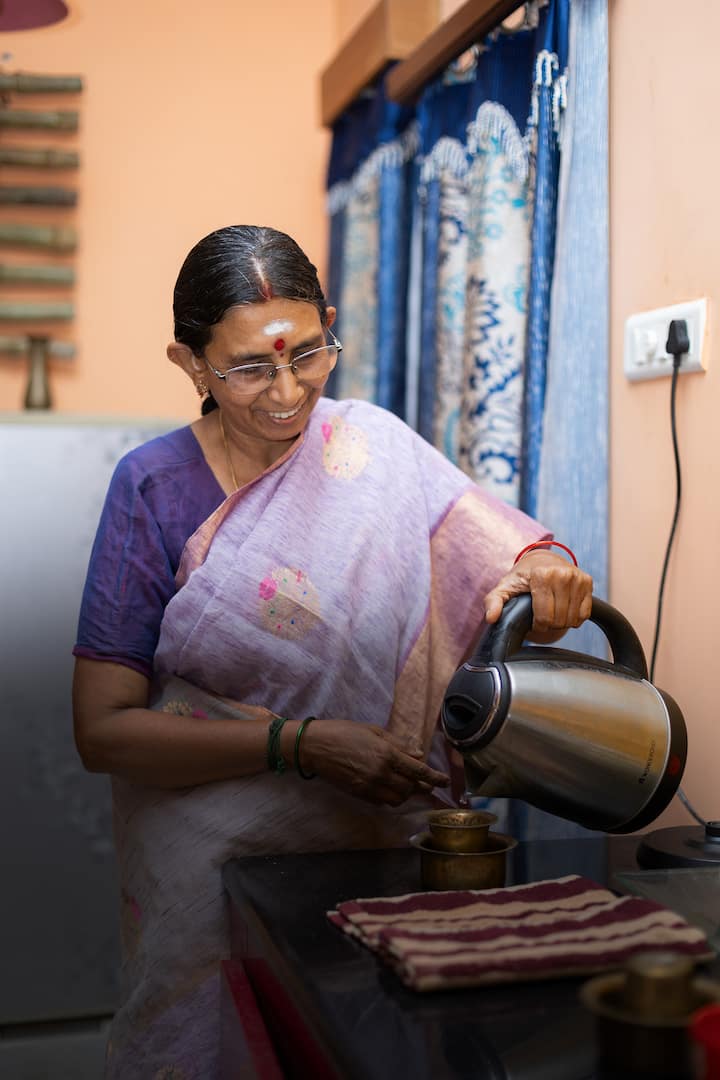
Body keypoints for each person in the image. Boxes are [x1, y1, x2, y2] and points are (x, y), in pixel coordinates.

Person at [73, 224, 593, 1079]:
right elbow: (103, 732)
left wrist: (543, 571)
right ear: (189, 364)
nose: (288, 393)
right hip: (214, 864)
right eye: (249, 367)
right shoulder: (153, 487)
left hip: (385, 839)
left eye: (309, 354)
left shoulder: (370, 446)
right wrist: (301, 745)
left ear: (326, 325)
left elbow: (492, 557)